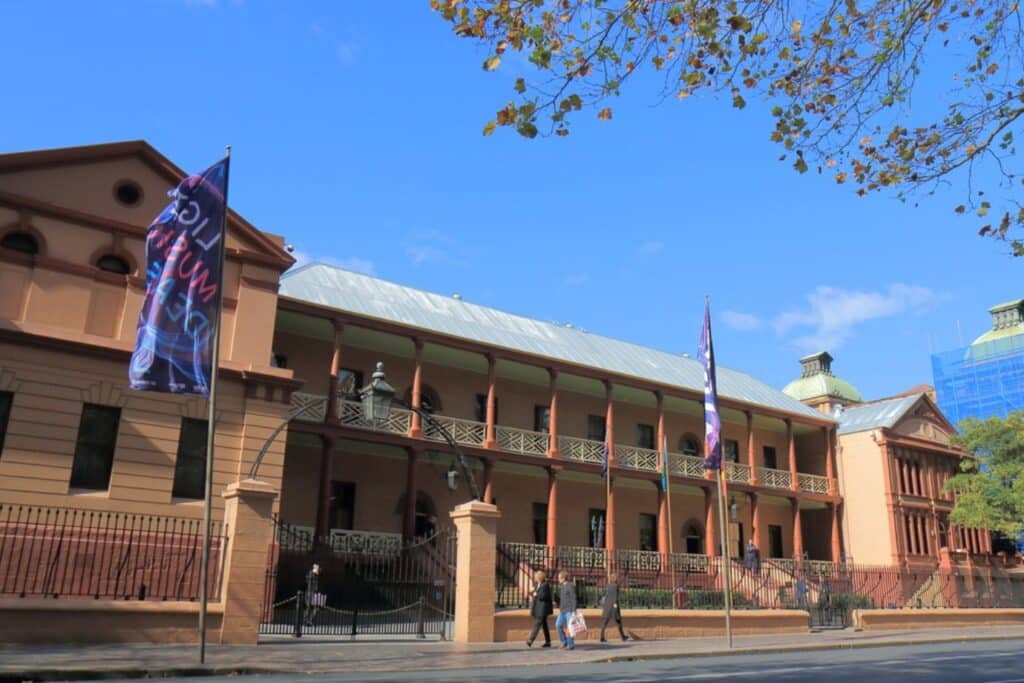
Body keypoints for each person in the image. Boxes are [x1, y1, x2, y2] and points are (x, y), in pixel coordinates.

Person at [526, 570, 553, 648]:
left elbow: (544, 596)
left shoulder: (545, 585)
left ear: (539, 577)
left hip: (543, 608)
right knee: (544, 625)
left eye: (536, 576)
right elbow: (531, 593)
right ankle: (548, 642)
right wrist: (532, 592)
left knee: (537, 623)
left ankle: (530, 640)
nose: (535, 578)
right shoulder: (536, 584)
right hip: (537, 607)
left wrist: (536, 594)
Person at [599, 572, 628, 642]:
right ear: (615, 579)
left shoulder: (607, 586)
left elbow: (604, 595)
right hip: (613, 606)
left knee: (604, 622)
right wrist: (615, 605)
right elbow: (615, 597)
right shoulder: (616, 586)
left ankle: (602, 637)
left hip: (606, 606)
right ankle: (623, 636)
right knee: (618, 622)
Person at [553, 571, 577, 650]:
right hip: (562, 610)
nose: (558, 579)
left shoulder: (570, 585)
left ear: (563, 578)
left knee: (569, 628)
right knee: (558, 625)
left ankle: (570, 644)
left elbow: (573, 598)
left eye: (559, 578)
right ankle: (564, 641)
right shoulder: (562, 586)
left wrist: (574, 610)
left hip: (569, 610)